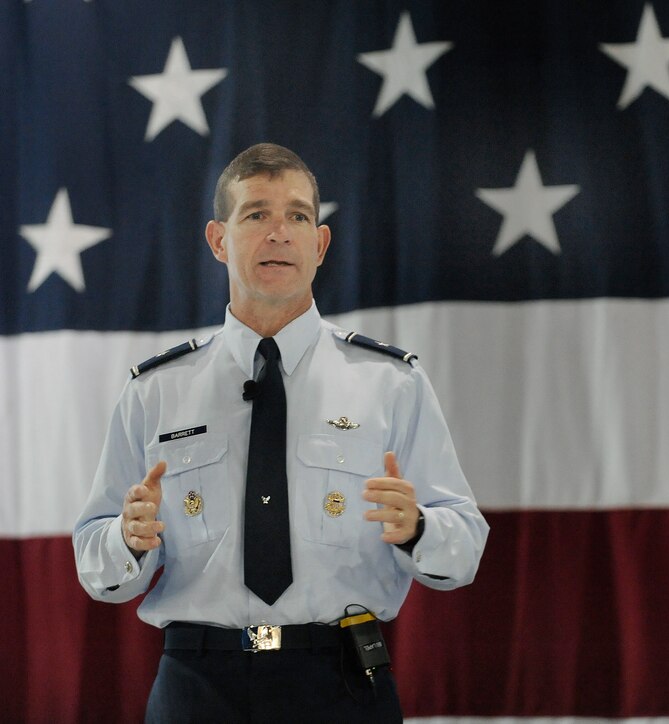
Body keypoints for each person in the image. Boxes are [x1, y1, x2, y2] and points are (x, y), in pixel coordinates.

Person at [73, 143, 488, 722]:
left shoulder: (389, 382)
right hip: (198, 683)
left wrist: (418, 528)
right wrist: (126, 538)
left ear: (319, 244)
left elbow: (464, 545)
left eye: (297, 216)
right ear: (219, 240)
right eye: (256, 215)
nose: (279, 233)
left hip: (341, 682)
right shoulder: (157, 390)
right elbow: (94, 557)